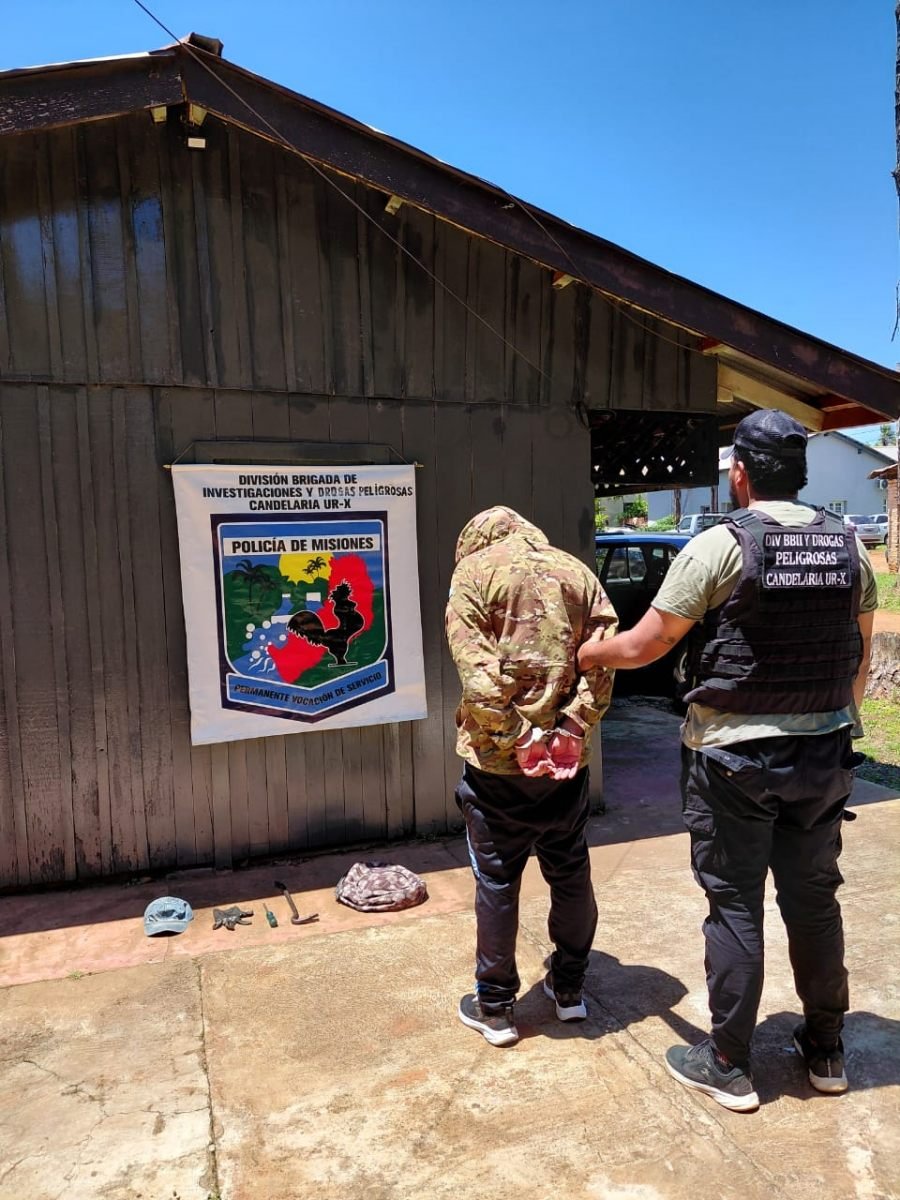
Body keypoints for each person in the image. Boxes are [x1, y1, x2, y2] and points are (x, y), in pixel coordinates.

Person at [578, 410, 876, 1111]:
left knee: (735, 904)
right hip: (824, 753)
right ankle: (827, 1047)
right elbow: (857, 662)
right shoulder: (851, 547)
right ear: (800, 474)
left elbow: (649, 644)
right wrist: (833, 726)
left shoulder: (721, 545)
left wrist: (589, 653)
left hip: (734, 759)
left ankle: (728, 1062)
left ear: (739, 472)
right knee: (813, 902)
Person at [446, 506, 618, 1047]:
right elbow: (605, 659)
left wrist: (518, 736)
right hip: (565, 765)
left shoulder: (473, 575)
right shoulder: (578, 572)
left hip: (498, 764)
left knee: (497, 880)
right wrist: (573, 725)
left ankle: (496, 1008)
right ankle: (569, 991)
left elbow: (479, 675)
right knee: (569, 872)